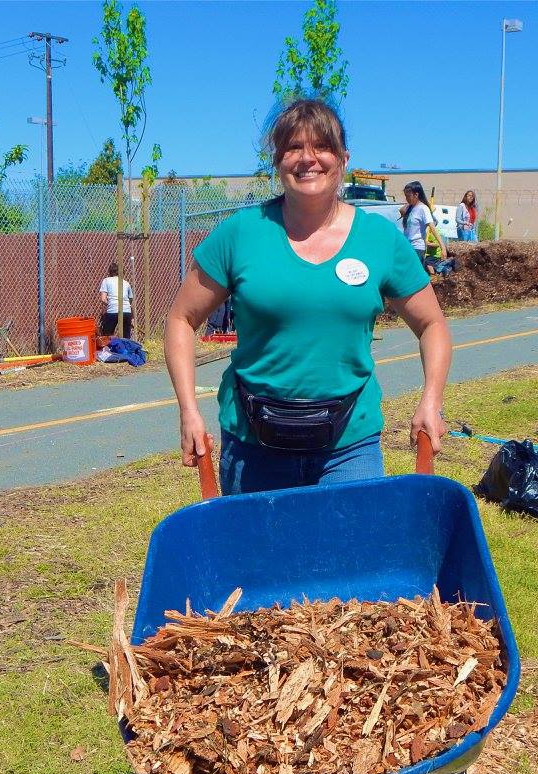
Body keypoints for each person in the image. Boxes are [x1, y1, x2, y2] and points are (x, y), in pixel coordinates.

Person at [163, 98, 452, 495]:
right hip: (253, 447)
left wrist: (431, 400)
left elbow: (432, 323)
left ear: (344, 158)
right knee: (259, 558)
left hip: (349, 448)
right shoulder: (240, 234)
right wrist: (188, 410)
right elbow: (181, 319)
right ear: (278, 161)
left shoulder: (380, 240)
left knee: (348, 557)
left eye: (322, 146)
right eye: (293, 148)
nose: (307, 158)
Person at [400, 181, 435, 271]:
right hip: (408, 246)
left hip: (417, 247)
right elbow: (401, 210)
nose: (406, 198)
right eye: (405, 196)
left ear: (416, 195)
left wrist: (442, 247)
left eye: (408, 196)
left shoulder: (423, 208)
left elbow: (432, 226)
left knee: (414, 274)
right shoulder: (412, 208)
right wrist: (409, 203)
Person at [99, 263, 134, 339]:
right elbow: (130, 299)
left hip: (113, 310)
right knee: (126, 336)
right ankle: (126, 349)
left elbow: (103, 299)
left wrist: (111, 304)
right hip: (127, 311)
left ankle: (110, 348)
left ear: (110, 272)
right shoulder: (126, 282)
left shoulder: (106, 280)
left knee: (107, 335)